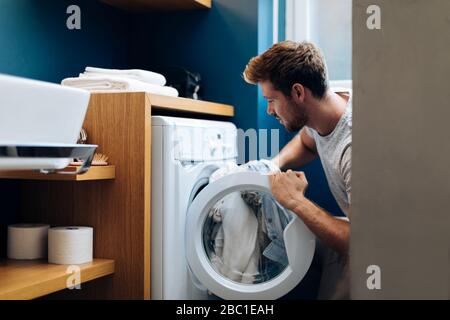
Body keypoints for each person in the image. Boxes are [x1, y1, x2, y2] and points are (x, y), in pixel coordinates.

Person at [243, 41, 352, 299]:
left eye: (272, 100)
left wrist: (295, 201)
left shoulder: (356, 147)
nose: (269, 110)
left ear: (298, 92)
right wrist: (274, 164)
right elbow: (307, 142)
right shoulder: (329, 101)